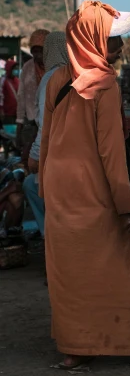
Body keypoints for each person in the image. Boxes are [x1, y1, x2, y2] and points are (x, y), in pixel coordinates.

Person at [39, 0, 130, 370]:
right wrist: (127, 208)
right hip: (94, 189)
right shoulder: (104, 85)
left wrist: (46, 190)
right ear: (93, 42)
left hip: (60, 189)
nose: (120, 48)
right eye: (113, 41)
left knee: (72, 272)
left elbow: (46, 141)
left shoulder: (57, 80)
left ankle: (75, 349)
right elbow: (111, 155)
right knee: (125, 268)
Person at [23, 32, 69, 238]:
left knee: (31, 186)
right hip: (78, 152)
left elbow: (46, 124)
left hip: (56, 153)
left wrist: (35, 155)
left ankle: (49, 236)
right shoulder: (76, 74)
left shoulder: (52, 77)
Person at [16, 29, 50, 161]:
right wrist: (19, 127)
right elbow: (21, 97)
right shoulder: (27, 68)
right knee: (30, 160)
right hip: (31, 123)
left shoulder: (57, 68)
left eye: (40, 51)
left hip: (51, 125)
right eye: (34, 51)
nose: (37, 55)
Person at [0, 60, 20, 125]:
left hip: (17, 113)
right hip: (7, 113)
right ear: (9, 69)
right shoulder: (3, 80)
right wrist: (1, 110)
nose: (16, 70)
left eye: (17, 68)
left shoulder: (17, 80)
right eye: (14, 68)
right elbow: (0, 96)